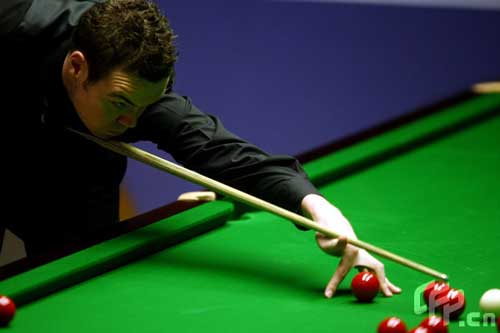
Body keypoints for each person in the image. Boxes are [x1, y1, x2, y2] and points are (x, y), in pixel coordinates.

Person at [0, 0, 400, 298]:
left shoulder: (136, 100)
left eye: (142, 108)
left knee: (80, 291)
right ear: (77, 67)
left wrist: (317, 208)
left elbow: (221, 150)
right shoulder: (13, 28)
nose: (130, 124)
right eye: (121, 105)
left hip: (76, 172)